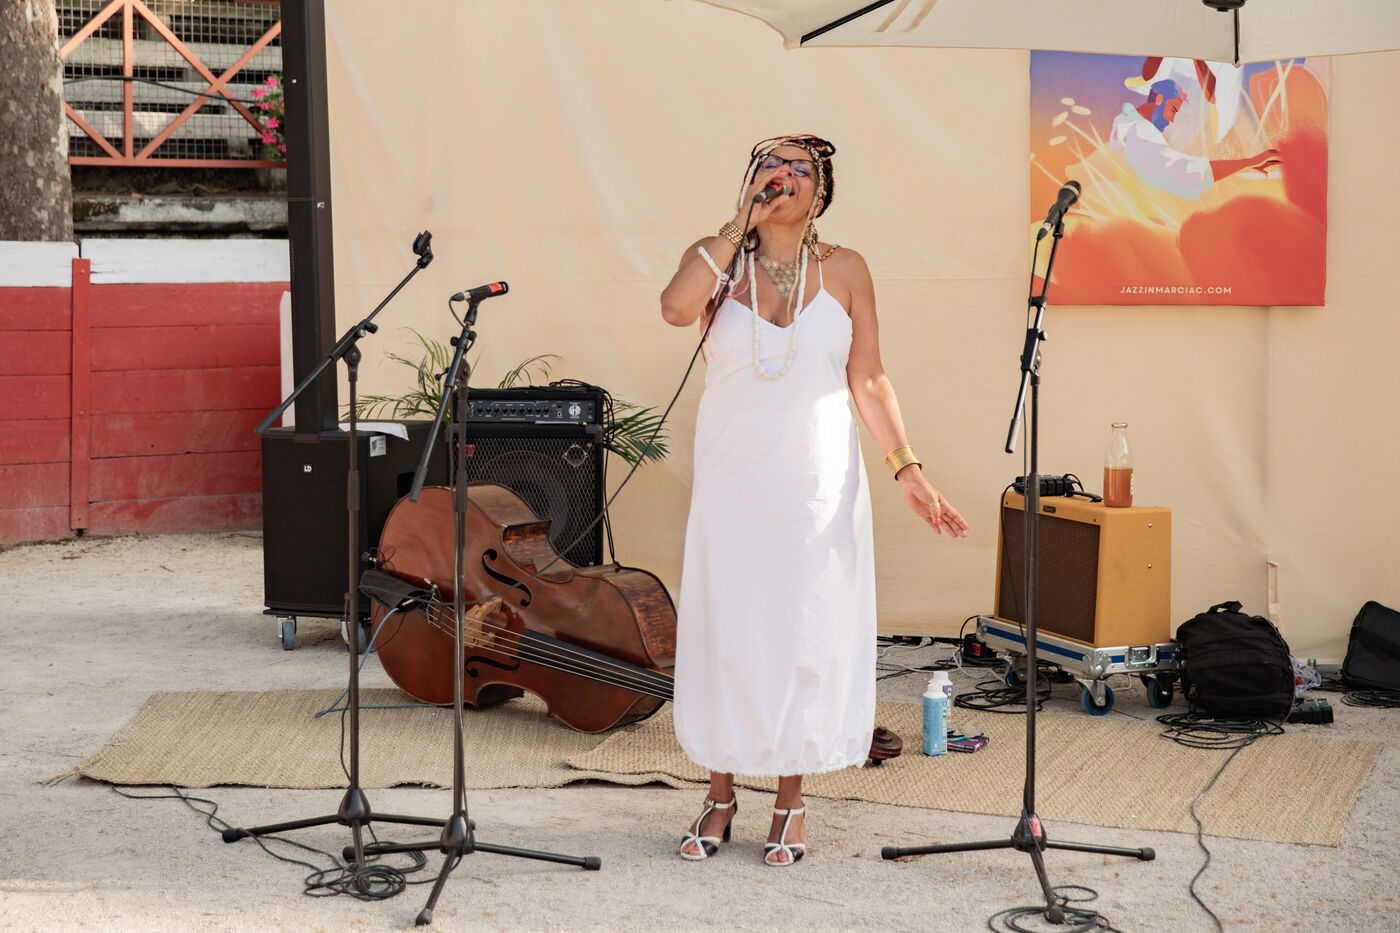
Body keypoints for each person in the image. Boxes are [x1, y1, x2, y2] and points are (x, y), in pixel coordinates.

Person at [658, 134, 970, 867]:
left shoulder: (847, 269)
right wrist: (735, 227)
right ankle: (720, 793)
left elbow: (870, 377)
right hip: (734, 482)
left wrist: (907, 468)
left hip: (815, 480)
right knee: (731, 631)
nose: (785, 176)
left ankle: (790, 798)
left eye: (801, 169)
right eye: (771, 165)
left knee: (801, 631)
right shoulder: (716, 258)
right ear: (749, 182)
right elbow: (674, 309)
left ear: (821, 193)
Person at [1111, 77, 1280, 199]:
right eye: (1173, 110)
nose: (1172, 119)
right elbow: (1181, 173)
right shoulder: (1138, 130)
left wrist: (1242, 167)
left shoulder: (1126, 124)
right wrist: (1248, 162)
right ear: (1159, 99)